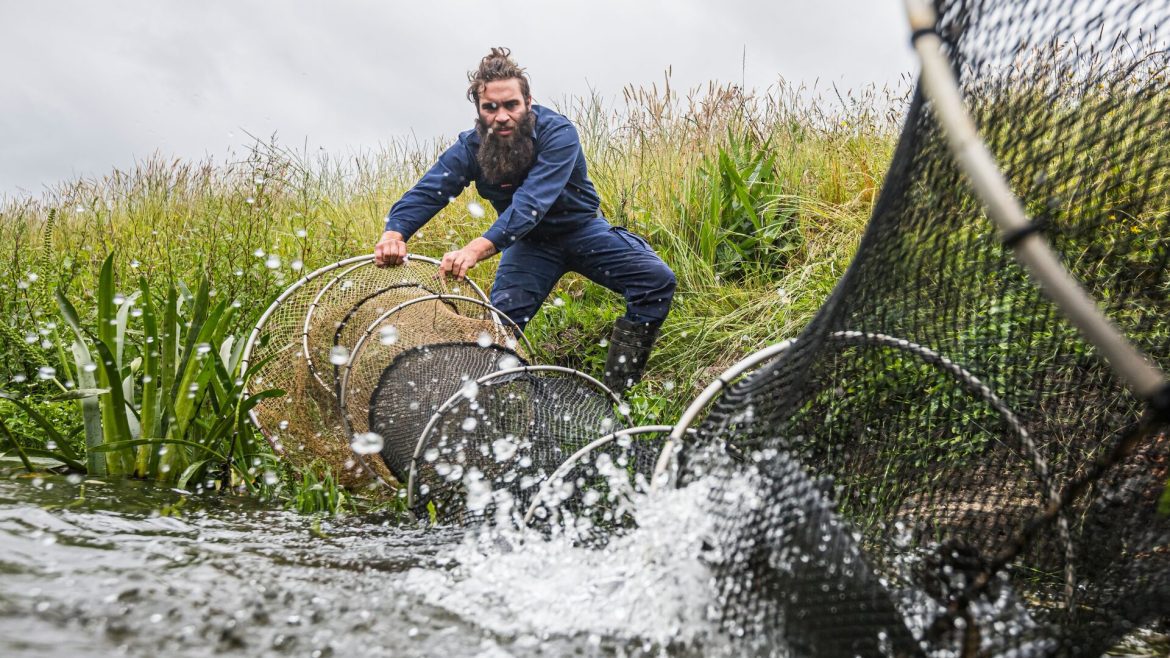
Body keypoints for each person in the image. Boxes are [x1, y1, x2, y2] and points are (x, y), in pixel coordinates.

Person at [373, 47, 675, 394]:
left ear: (528, 102)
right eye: (490, 108)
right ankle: (485, 402)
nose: (501, 116)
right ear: (479, 111)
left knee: (656, 281)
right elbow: (429, 191)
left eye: (511, 105)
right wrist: (394, 233)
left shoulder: (558, 134)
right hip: (529, 247)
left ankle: (616, 393)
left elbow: (532, 202)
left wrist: (475, 249)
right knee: (497, 334)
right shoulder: (469, 148)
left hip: (584, 231)